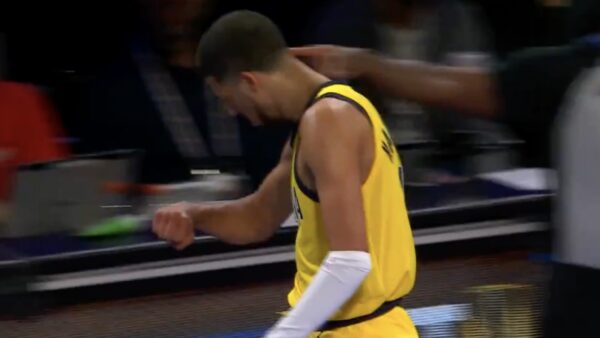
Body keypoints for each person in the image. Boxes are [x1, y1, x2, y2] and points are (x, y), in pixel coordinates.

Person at [153, 10, 417, 338]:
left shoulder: (329, 120)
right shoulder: (316, 125)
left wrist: (282, 335)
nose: (232, 112)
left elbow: (351, 262)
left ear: (250, 81)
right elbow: (257, 218)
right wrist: (193, 214)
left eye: (227, 99)